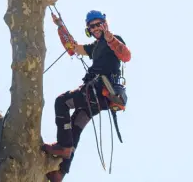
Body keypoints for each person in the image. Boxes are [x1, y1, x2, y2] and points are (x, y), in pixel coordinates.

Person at [42, 10, 131, 181]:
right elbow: (73, 48)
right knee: (74, 128)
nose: (95, 28)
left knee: (61, 102)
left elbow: (126, 56)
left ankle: (63, 146)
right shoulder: (94, 47)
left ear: (105, 24)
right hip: (97, 100)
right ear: (88, 30)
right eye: (92, 26)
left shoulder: (113, 40)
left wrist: (111, 39)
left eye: (98, 24)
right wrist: (60, 26)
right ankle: (60, 172)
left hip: (98, 90)